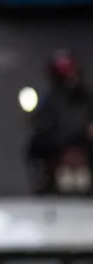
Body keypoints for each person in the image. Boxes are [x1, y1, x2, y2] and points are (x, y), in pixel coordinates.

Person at [25, 51, 93, 189]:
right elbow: (40, 121)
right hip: (58, 147)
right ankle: (41, 178)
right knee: (34, 147)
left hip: (82, 145)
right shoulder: (51, 100)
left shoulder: (86, 98)